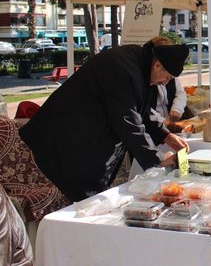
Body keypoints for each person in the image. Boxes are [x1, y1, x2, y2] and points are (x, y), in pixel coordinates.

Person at [16, 41, 190, 202]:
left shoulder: (140, 64)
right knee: (76, 200)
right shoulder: (125, 69)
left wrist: (166, 136)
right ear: (157, 64)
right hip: (66, 140)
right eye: (166, 77)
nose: (164, 83)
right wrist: (157, 160)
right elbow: (128, 121)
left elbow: (141, 110)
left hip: (82, 139)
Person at [150, 36, 190, 122]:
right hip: (156, 124)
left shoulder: (171, 73)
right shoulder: (146, 79)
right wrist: (162, 122)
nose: (165, 82)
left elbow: (180, 93)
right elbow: (146, 110)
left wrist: (177, 109)